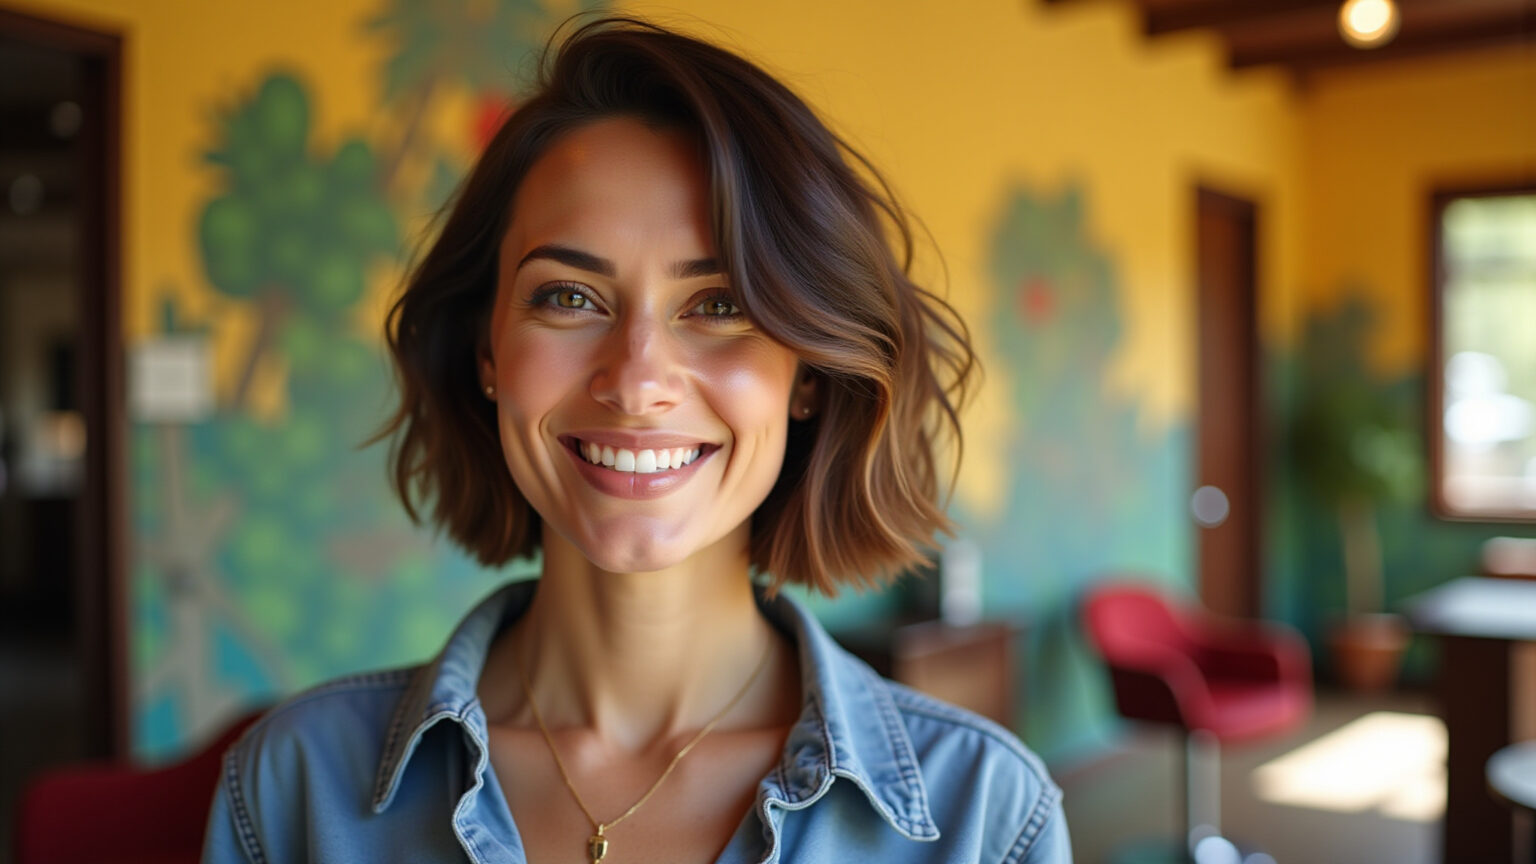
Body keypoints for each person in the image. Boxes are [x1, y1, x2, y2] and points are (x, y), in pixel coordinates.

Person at [203, 16, 1069, 864]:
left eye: (721, 305)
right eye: (569, 297)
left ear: (807, 374)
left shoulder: (986, 819)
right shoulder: (293, 789)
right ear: (488, 351)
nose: (638, 378)